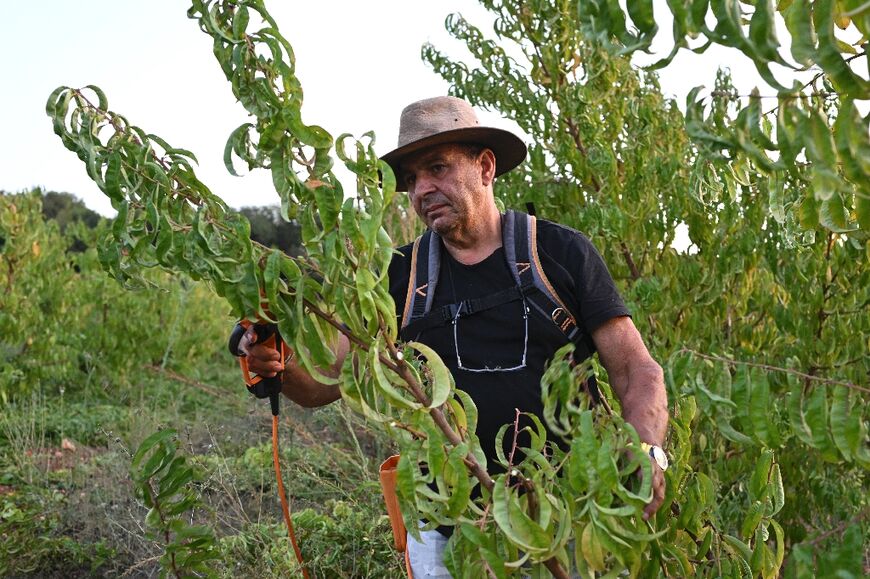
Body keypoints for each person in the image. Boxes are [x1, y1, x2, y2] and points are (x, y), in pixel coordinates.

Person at [245, 96, 669, 577]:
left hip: (567, 515)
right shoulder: (397, 276)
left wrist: (646, 449)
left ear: (485, 166)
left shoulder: (558, 252)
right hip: (450, 529)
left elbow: (636, 369)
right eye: (411, 179)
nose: (423, 189)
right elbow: (326, 386)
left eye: (438, 168)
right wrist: (278, 364)